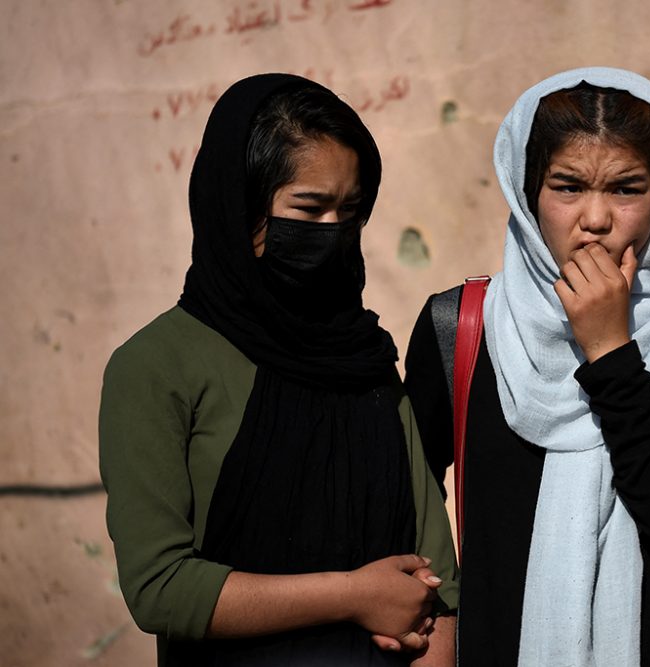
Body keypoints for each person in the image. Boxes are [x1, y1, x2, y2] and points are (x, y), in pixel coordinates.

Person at [404, 67, 650, 666]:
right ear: (528, 195)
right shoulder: (464, 327)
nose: (595, 219)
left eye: (627, 189)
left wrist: (610, 349)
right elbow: (405, 505)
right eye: (568, 186)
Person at [99, 73, 457, 666]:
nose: (332, 233)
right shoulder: (157, 366)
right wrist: (353, 595)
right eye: (308, 209)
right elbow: (159, 587)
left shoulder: (365, 359)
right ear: (240, 206)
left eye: (350, 212)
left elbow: (437, 584)